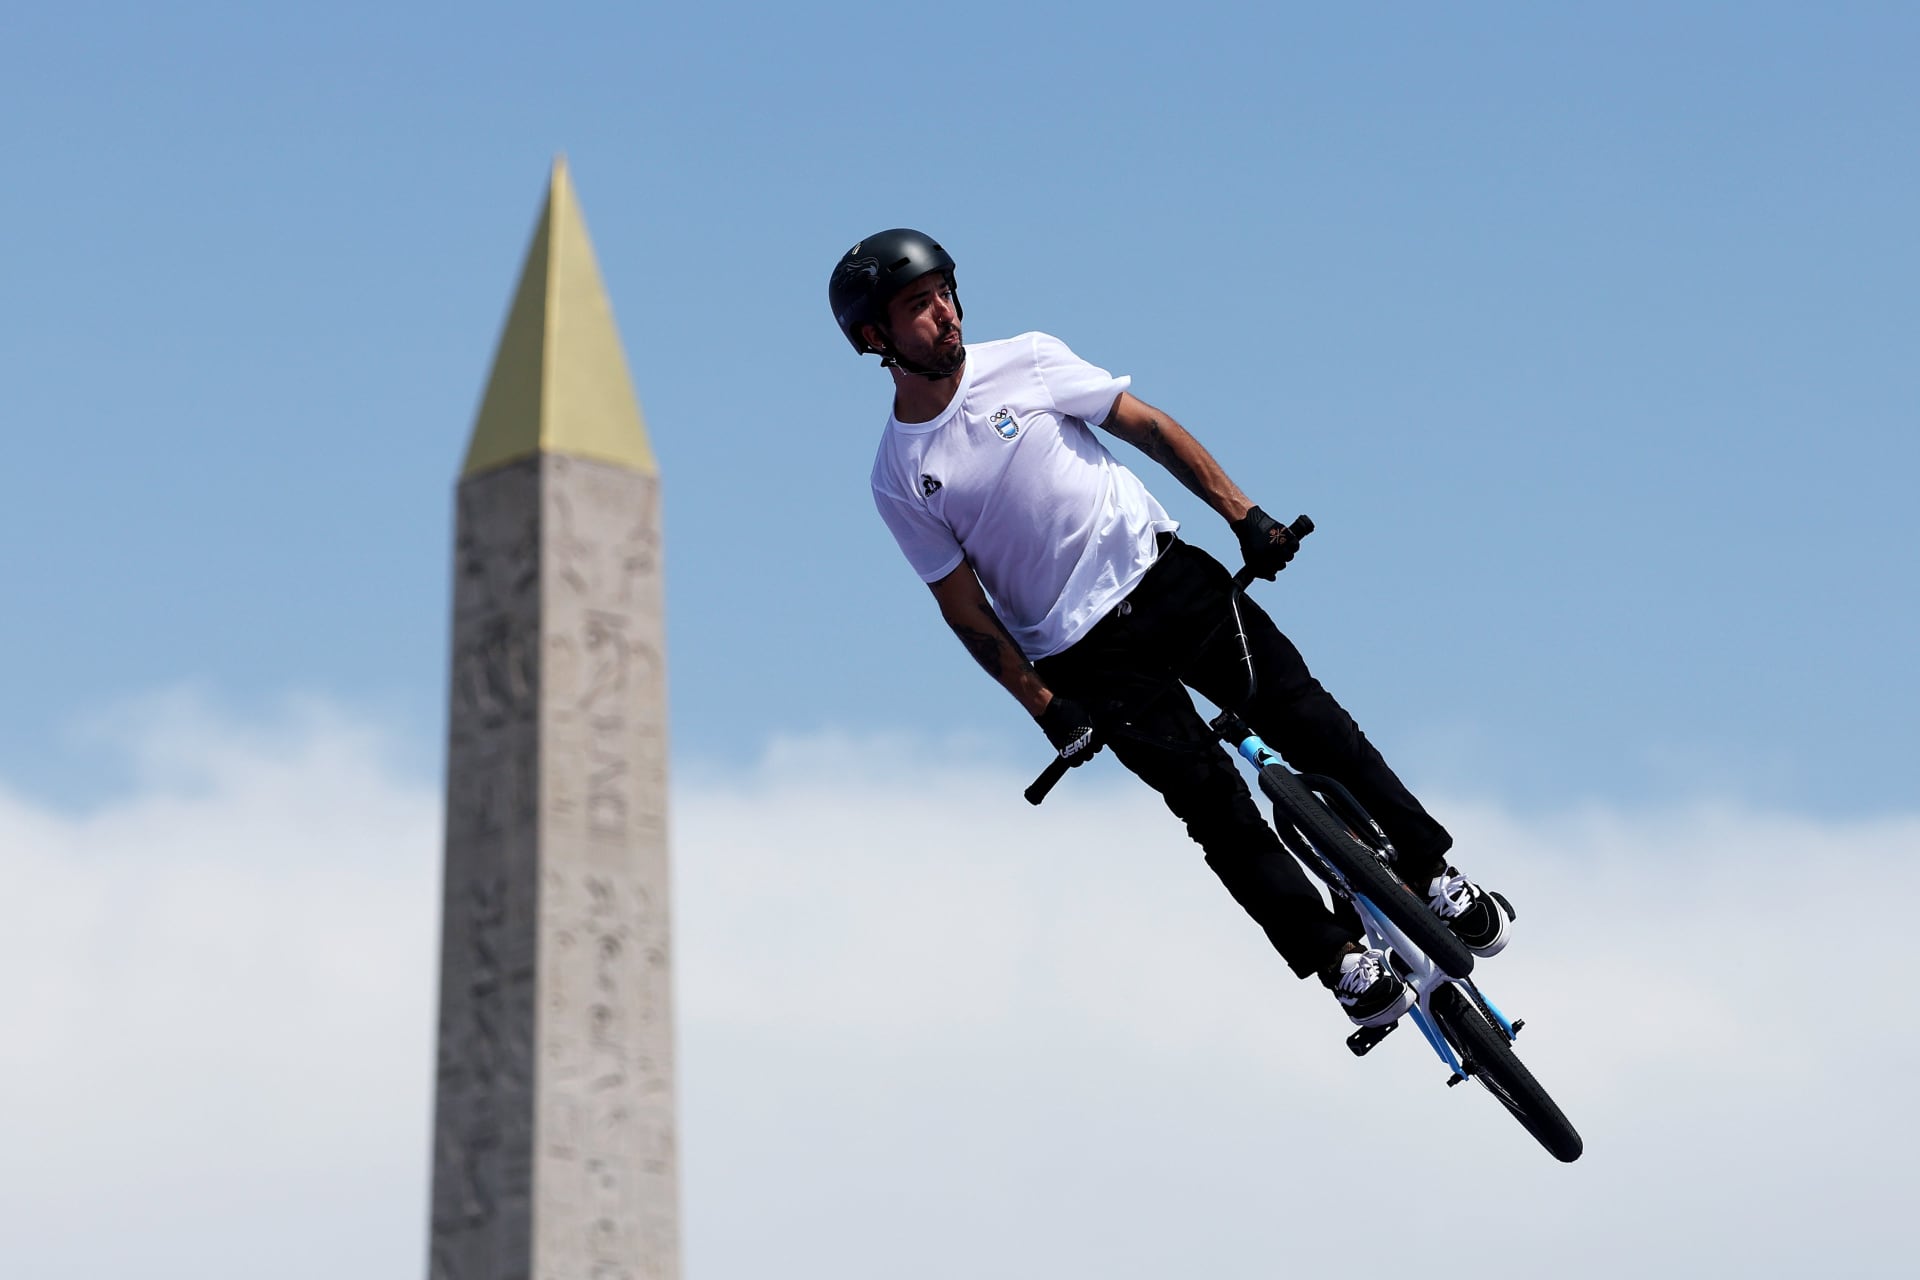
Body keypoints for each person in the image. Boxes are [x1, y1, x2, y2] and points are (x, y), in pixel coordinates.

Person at [830, 228, 1513, 1027]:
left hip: (1170, 580)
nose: (945, 313)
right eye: (919, 305)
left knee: (1311, 719)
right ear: (875, 337)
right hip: (1087, 658)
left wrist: (1245, 516)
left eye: (945, 291)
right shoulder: (898, 475)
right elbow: (962, 606)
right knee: (1215, 810)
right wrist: (1046, 707)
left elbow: (1146, 427)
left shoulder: (1027, 359)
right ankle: (1340, 964)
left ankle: (1434, 874)